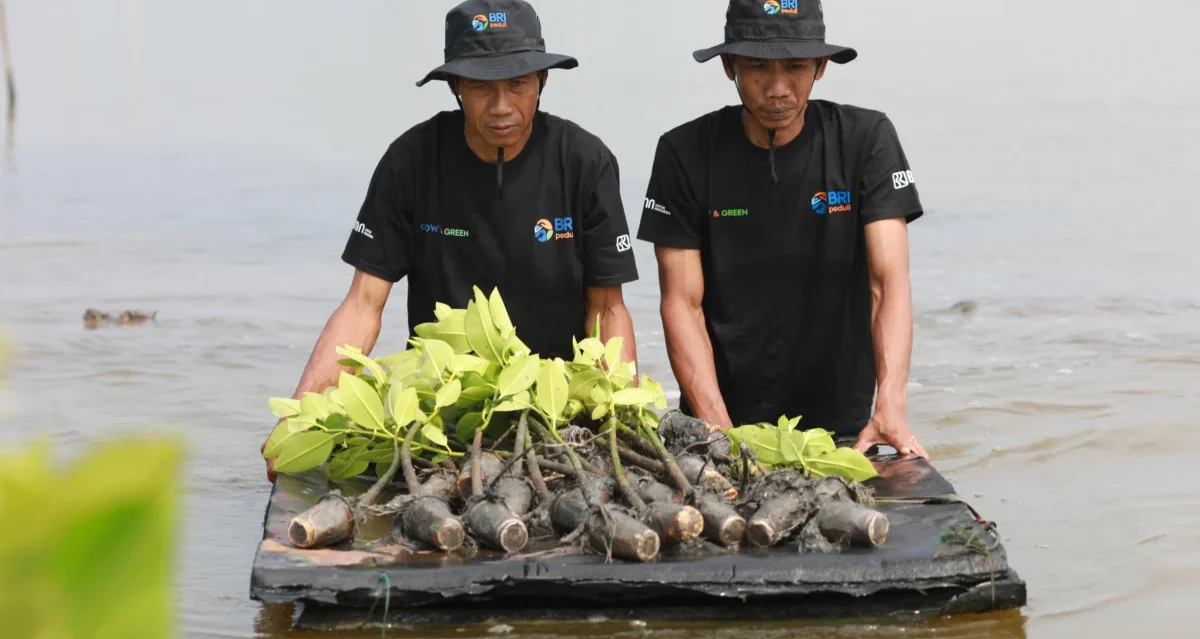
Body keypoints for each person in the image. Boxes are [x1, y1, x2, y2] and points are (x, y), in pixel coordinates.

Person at [262, 0, 640, 481]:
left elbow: (607, 308)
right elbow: (362, 304)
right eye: (482, 87)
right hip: (441, 411)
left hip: (554, 408)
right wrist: (299, 415)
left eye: (518, 85)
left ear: (543, 82)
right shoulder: (411, 160)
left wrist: (620, 419)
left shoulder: (585, 161)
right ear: (456, 87)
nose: (501, 106)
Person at [636, 0, 929, 459]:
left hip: (846, 426)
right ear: (729, 65)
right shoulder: (684, 152)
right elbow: (681, 303)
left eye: (795, 67)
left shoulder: (866, 139)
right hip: (722, 425)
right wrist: (718, 430)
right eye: (757, 67)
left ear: (821, 67)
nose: (777, 89)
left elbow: (887, 283)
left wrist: (890, 403)